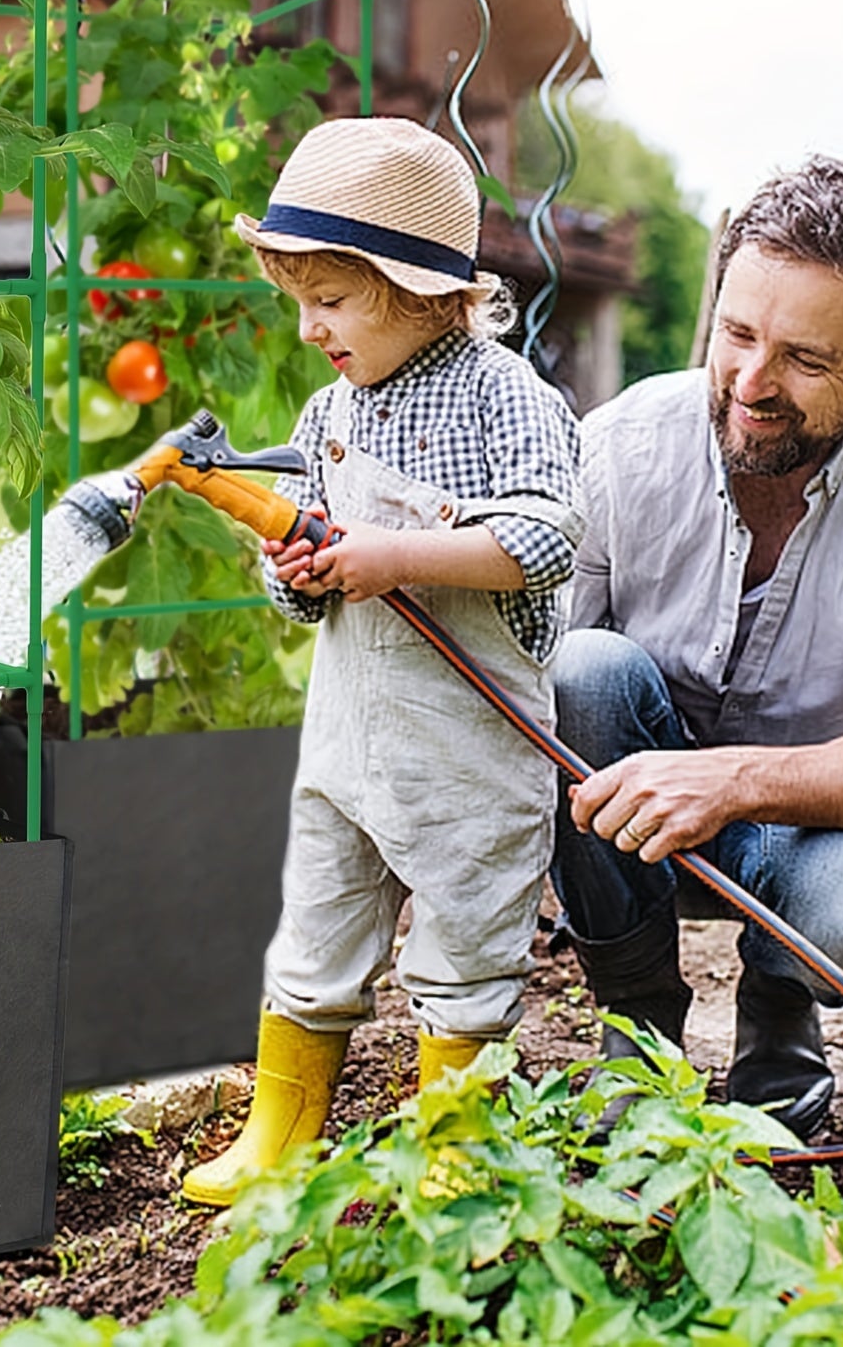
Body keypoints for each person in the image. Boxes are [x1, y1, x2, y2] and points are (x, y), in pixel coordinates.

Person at [551, 155, 843, 1139]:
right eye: (738, 335)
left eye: (804, 359)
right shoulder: (624, 444)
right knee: (581, 671)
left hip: (818, 830)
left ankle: (779, 1021)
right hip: (634, 823)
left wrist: (732, 779)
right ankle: (638, 1027)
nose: (751, 384)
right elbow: (531, 680)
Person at [180, 116, 583, 1207]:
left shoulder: (510, 400)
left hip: (466, 741)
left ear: (422, 290)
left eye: (331, 300)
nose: (309, 328)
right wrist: (299, 569)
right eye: (298, 300)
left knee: (465, 942)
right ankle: (284, 1128)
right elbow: (308, 580)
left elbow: (550, 536)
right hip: (349, 734)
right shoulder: (329, 411)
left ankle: (459, 1144)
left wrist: (394, 553)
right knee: (315, 926)